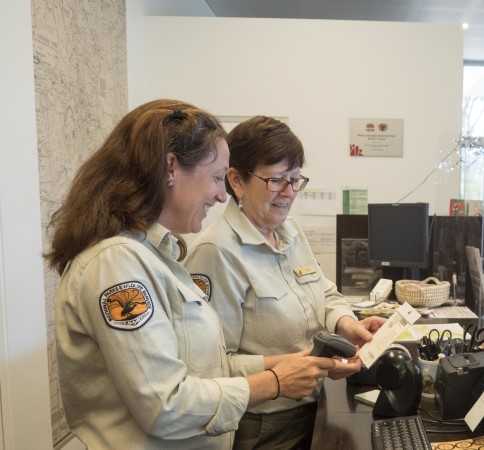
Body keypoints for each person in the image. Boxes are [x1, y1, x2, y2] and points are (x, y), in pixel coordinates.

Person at [44, 99, 336, 450]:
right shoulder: (115, 265)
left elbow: (204, 371)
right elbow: (164, 405)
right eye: (216, 177)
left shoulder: (157, 255)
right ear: (171, 167)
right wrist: (273, 382)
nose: (219, 194)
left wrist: (292, 365)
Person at [183, 115, 386, 449]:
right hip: (263, 424)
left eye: (295, 179)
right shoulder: (216, 253)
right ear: (236, 180)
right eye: (276, 180)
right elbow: (212, 369)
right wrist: (297, 367)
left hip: (311, 406)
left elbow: (326, 292)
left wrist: (349, 325)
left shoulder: (290, 232)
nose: (289, 193)